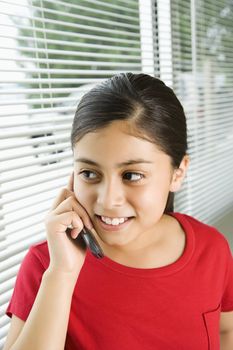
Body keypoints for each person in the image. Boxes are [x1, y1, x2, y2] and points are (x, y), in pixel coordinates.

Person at [3, 73, 233, 350]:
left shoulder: (212, 249)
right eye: (89, 173)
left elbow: (225, 332)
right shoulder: (47, 265)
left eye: (132, 175)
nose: (108, 200)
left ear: (178, 173)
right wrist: (62, 274)